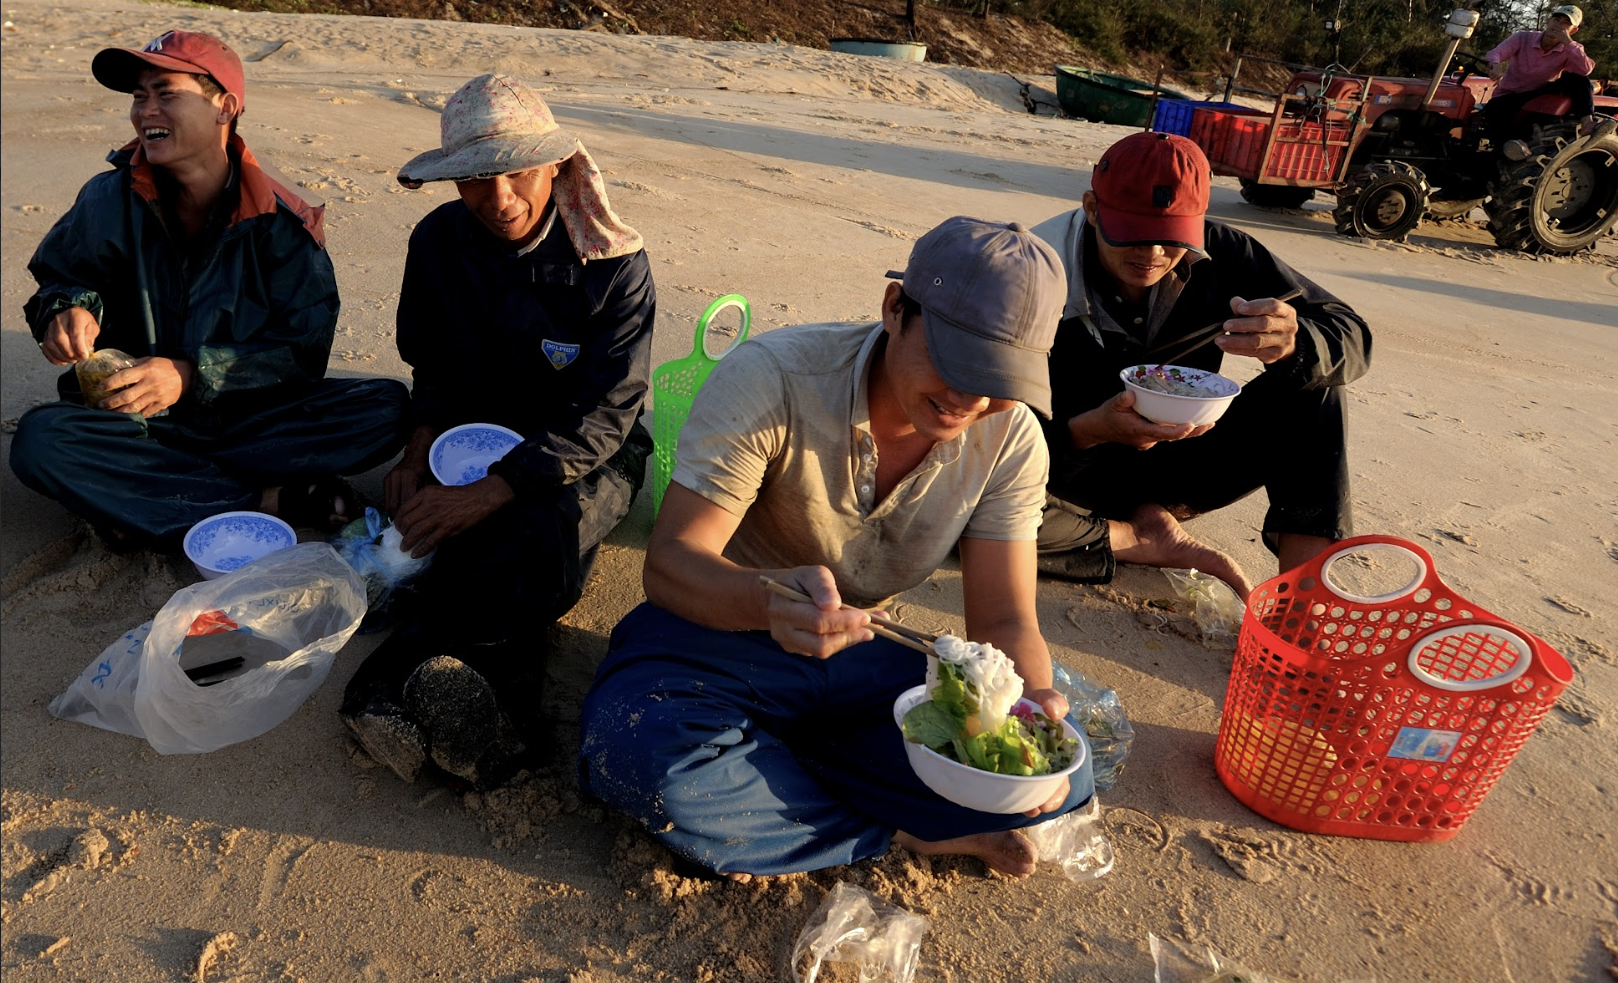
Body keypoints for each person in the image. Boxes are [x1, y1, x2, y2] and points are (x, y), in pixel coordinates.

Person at [578, 216, 1095, 880]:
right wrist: (766, 604)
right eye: (954, 361)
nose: (971, 397)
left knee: (1059, 780)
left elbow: (1003, 622)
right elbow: (673, 565)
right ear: (893, 309)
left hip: (864, 647)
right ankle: (900, 829)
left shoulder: (1012, 438)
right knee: (639, 753)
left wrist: (1030, 707)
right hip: (720, 630)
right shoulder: (774, 378)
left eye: (999, 377)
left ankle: (796, 785)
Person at [341, 74, 655, 792]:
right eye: (478, 178)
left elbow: (606, 416)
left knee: (538, 552)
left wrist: (493, 491)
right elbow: (433, 368)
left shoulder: (613, 266)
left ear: (555, 166)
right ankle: (469, 709)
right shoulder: (437, 243)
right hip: (468, 434)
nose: (501, 197)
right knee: (434, 537)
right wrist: (419, 449)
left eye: (519, 171)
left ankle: (388, 691)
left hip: (587, 451)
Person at [11, 29, 408, 546]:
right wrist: (64, 312)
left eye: (166, 94)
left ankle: (147, 496)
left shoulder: (280, 223)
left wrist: (191, 374)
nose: (145, 111)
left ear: (224, 107)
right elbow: (60, 279)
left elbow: (301, 354)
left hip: (248, 422)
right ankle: (270, 501)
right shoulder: (108, 198)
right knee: (42, 443)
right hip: (138, 423)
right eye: (139, 96)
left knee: (385, 408)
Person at [1030, 131, 1372, 600]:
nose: (1151, 255)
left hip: (1179, 463)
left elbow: (1350, 330)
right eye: (1131, 234)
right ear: (1091, 208)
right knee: (968, 513)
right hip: (1060, 470)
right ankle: (1130, 536)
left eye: (1170, 239)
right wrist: (1090, 429)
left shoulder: (1222, 250)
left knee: (1316, 381)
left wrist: (1295, 342)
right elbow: (987, 424)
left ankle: (1302, 604)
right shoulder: (1034, 267)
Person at [1481, 4, 1597, 149]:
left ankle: (1587, 122)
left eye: (1566, 23)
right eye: (1556, 19)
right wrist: (1495, 65)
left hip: (1540, 92)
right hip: (1511, 94)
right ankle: (1509, 148)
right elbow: (1496, 53)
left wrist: (1568, 42)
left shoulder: (1571, 48)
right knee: (1494, 110)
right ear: (1548, 21)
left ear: (1573, 30)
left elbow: (1585, 69)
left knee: (1579, 79)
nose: (1559, 25)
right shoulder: (1523, 37)